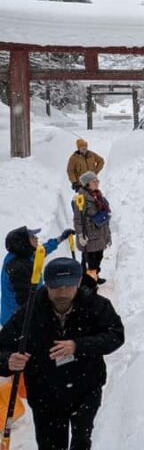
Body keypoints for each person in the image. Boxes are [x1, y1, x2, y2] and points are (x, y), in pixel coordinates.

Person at [0, 257, 124, 450]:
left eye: (68, 285)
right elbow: (2, 345)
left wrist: (79, 345)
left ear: (78, 283)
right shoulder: (31, 312)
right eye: (56, 286)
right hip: (45, 395)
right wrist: (8, 360)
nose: (63, 292)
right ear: (47, 285)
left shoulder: (96, 305)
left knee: (81, 442)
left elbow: (115, 335)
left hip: (86, 390)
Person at [2, 226, 74, 326]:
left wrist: (61, 238)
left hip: (23, 313)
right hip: (17, 320)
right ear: (23, 242)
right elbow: (26, 299)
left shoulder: (25, 253)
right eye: (32, 237)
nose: (36, 238)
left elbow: (44, 249)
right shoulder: (18, 267)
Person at [72, 172, 111, 284]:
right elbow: (77, 219)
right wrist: (80, 235)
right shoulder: (80, 199)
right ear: (87, 184)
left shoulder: (97, 195)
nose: (97, 183)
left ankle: (93, 277)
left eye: (97, 180)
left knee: (98, 257)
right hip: (89, 235)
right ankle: (88, 283)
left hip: (100, 233)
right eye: (94, 181)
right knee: (91, 260)